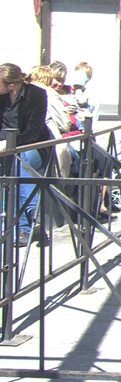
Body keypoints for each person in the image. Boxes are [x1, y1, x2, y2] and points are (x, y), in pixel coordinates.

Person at [0, 63, 55, 246]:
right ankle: (31, 220)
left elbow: (34, 131)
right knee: (13, 164)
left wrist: (9, 143)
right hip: (4, 149)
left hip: (34, 146)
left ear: (11, 85)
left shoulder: (37, 94)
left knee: (18, 162)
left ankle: (27, 222)